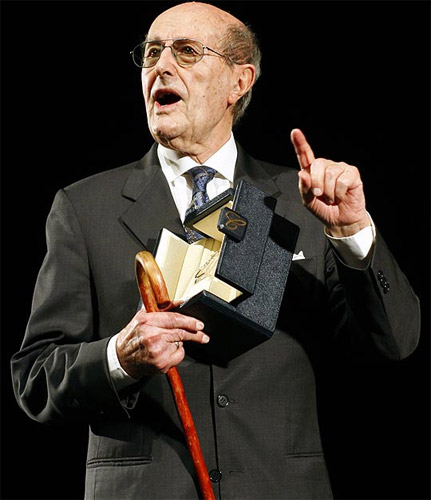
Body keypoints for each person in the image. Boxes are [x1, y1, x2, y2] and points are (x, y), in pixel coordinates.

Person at [11, 2, 420, 499]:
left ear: (239, 82)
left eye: (186, 51)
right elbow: (35, 379)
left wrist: (352, 233)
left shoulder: (302, 204)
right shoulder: (83, 208)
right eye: (152, 53)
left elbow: (395, 341)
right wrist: (120, 357)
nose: (162, 66)